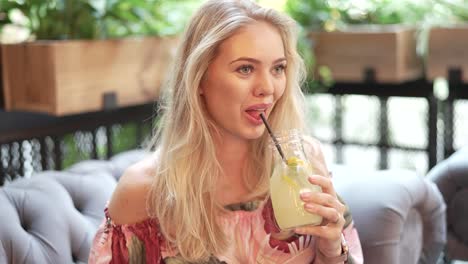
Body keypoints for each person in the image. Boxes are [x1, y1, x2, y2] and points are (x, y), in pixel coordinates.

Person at [89, 0, 363, 263]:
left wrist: (331, 251)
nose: (267, 88)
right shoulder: (144, 190)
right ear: (199, 78)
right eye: (245, 69)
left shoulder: (304, 158)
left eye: (278, 68)